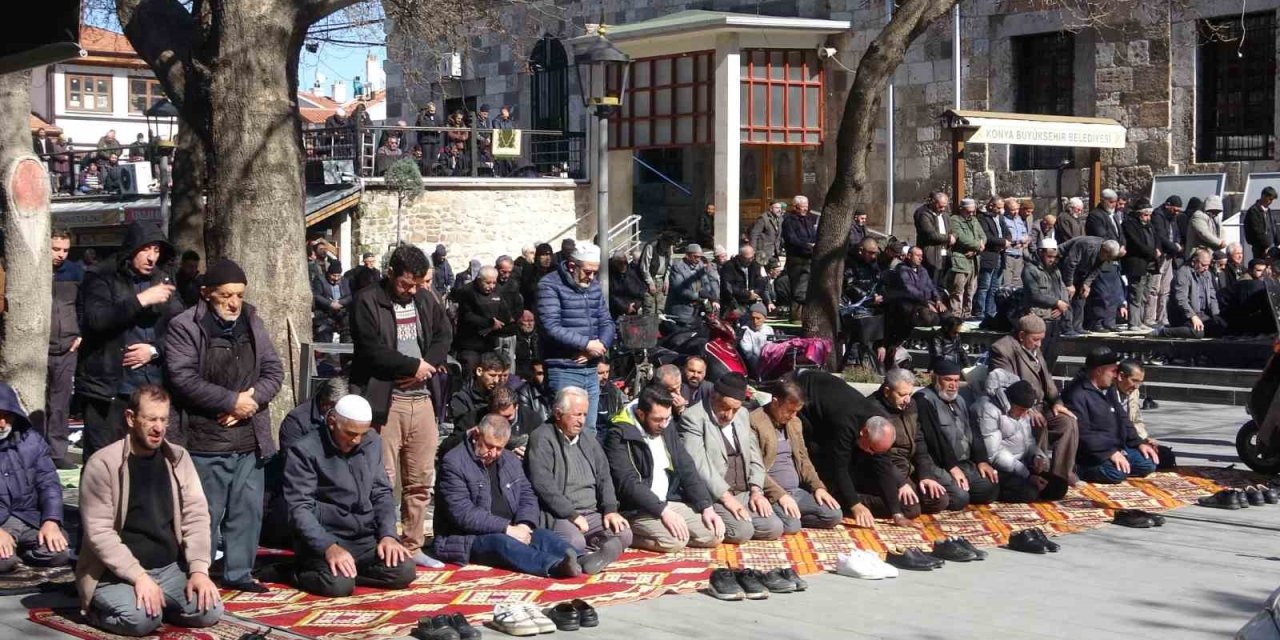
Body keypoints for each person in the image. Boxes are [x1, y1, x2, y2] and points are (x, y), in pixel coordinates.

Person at [163, 259, 283, 592]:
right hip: (205, 437)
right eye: (226, 295)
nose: (234, 303)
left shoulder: (252, 321)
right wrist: (231, 401)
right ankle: (193, 574)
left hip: (249, 434)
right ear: (206, 294)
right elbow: (183, 379)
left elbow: (274, 371)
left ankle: (239, 573)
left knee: (247, 510)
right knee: (205, 512)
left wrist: (249, 403)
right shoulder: (184, 326)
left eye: (239, 295)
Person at [77, 385, 223, 636]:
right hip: (114, 573)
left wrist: (199, 569)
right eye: (151, 419)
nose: (158, 428)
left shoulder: (178, 459)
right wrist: (139, 577)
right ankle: (95, 611)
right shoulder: (103, 464)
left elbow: (196, 516)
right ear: (131, 418)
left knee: (209, 610)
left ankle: (158, 603)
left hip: (168, 567)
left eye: (163, 420)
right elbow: (99, 533)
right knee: (140, 621)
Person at [349, 244, 452, 568]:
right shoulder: (367, 301)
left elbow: (443, 334)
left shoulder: (424, 297)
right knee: (383, 477)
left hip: (421, 398)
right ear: (390, 273)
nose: (411, 291)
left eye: (417, 284)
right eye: (406, 284)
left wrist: (427, 366)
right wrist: (410, 366)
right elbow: (370, 350)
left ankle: (412, 543)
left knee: (420, 476)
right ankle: (381, 540)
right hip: (385, 399)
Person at [283, 394, 415, 596]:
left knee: (404, 571)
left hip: (364, 537)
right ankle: (296, 572)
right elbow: (299, 508)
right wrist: (328, 546)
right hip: (327, 537)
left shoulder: (371, 443)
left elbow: (381, 492)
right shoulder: (305, 450)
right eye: (351, 433)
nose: (356, 440)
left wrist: (388, 535)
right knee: (338, 586)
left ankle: (350, 571)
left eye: (362, 433)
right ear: (332, 422)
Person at [76, 221, 183, 462]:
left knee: (145, 463)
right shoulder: (100, 276)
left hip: (151, 389)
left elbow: (182, 330)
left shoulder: (162, 280)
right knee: (104, 462)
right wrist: (140, 300)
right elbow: (96, 320)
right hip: (108, 391)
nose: (151, 258)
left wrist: (155, 350)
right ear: (132, 249)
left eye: (156, 250)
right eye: (146, 250)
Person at [434, 414, 584, 577]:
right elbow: (463, 513)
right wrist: (506, 529)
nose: (493, 453)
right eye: (489, 446)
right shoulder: (454, 462)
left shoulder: (510, 460)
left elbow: (527, 495)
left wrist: (524, 524)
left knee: (543, 536)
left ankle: (581, 559)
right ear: (477, 435)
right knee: (502, 543)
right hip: (467, 537)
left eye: (499, 448)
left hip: (512, 527)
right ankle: (555, 567)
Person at [605, 386, 724, 553]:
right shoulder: (618, 434)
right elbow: (628, 483)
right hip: (637, 508)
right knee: (674, 542)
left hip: (666, 501)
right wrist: (663, 512)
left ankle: (666, 527)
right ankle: (625, 534)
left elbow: (685, 465)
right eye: (657, 420)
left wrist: (706, 506)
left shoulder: (666, 425)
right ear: (641, 414)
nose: (663, 424)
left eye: (667, 418)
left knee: (714, 534)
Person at [525, 387, 632, 573]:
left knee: (624, 532)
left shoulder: (588, 438)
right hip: (559, 513)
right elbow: (543, 484)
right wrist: (572, 515)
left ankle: (592, 554)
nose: (582, 420)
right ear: (558, 414)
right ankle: (587, 555)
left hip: (591, 511)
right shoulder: (542, 437)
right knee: (574, 541)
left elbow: (604, 475)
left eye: (584, 414)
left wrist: (610, 509)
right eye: (576, 415)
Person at [678, 374, 783, 544]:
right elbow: (700, 465)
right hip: (715, 495)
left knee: (774, 528)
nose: (729, 415)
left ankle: (741, 519)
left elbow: (754, 455)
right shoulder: (693, 418)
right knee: (742, 532)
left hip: (743, 491)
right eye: (724, 407)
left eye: (734, 409)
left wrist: (757, 491)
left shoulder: (742, 414)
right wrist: (727, 499)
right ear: (713, 396)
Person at [986, 314, 1081, 485]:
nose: (1039, 344)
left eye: (1041, 340)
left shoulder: (1034, 347)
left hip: (1041, 404)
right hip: (1018, 407)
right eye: (1035, 339)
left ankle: (1061, 475)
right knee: (1039, 422)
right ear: (1022, 335)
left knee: (1067, 422)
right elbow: (1006, 385)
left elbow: (1047, 379)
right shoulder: (1002, 349)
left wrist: (1057, 403)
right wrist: (1029, 409)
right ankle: (1040, 472)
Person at [794, 370, 896, 527]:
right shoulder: (844, 423)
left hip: (832, 400)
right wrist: (855, 505)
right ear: (863, 432)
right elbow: (839, 466)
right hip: (806, 393)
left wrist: (897, 512)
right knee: (816, 452)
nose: (871, 454)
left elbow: (883, 466)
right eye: (870, 449)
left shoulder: (879, 427)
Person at [539, 241, 615, 440]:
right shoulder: (549, 285)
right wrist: (586, 344)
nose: (591, 277)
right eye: (588, 272)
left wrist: (600, 347)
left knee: (589, 431)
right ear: (572, 266)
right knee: (565, 430)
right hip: (564, 368)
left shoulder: (594, 286)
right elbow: (551, 326)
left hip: (590, 368)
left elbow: (607, 321)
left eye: (595, 272)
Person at [748, 376, 842, 533]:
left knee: (833, 515)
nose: (792, 416)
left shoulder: (794, 423)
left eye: (796, 412)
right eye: (789, 411)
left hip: (796, 491)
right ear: (775, 401)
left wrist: (817, 487)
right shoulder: (755, 421)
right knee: (791, 526)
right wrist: (780, 495)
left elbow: (803, 458)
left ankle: (792, 515)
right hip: (772, 492)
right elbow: (754, 466)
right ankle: (785, 516)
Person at [0, 382, 71, 575]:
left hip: (29, 517)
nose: (2, 424)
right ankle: (10, 552)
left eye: (6, 416)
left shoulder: (32, 441)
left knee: (59, 553)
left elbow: (49, 484)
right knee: (2, 562)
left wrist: (51, 520)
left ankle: (19, 551)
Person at [1063, 348, 1159, 484]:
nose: (1115, 376)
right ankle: (1081, 470)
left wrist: (1138, 443)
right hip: (1093, 454)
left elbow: (1123, 419)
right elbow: (1083, 434)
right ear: (1099, 371)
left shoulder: (1108, 389)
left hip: (1116, 447)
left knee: (1148, 463)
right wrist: (1109, 453)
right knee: (1116, 473)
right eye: (1113, 371)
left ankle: (1121, 464)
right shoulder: (1077, 393)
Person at [913, 360, 1000, 509]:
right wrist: (952, 467)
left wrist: (982, 460)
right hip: (938, 463)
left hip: (964, 463)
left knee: (990, 488)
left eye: (956, 380)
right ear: (935, 379)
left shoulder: (960, 400)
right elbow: (934, 439)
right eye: (948, 380)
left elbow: (974, 430)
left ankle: (961, 486)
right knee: (959, 498)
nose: (953, 385)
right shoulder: (924, 400)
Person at [867, 369, 950, 523]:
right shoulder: (872, 410)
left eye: (909, 394)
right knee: (910, 509)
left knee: (940, 499)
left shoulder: (910, 405)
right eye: (901, 394)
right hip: (884, 471)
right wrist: (900, 483)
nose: (907, 399)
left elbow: (919, 441)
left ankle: (913, 496)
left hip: (909, 468)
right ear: (887, 391)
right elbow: (878, 457)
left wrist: (925, 476)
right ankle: (854, 501)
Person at [972, 372, 1067, 502]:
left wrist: (1037, 457)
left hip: (1022, 466)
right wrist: (1027, 475)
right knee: (1030, 492)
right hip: (999, 468)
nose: (1024, 415)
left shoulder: (1022, 410)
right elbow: (994, 455)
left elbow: (1029, 442)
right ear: (1010, 402)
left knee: (1060, 486)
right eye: (1022, 410)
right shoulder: (988, 410)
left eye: (1026, 411)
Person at [44, 229, 83, 468]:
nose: (61, 255)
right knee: (38, 401)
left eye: (65, 250)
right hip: (39, 345)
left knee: (60, 403)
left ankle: (57, 452)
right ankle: (37, 450)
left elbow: (83, 306)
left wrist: (80, 334)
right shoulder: (33, 270)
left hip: (68, 346)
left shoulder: (76, 272)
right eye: (56, 249)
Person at [454, 266, 516, 375]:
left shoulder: (497, 291)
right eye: (487, 283)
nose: (491, 286)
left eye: (493, 283)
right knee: (470, 373)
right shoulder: (467, 292)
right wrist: (489, 322)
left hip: (490, 342)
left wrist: (498, 323)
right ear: (479, 280)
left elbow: (505, 313)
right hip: (470, 344)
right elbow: (467, 316)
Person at [1057, 236, 1121, 336]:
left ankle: (1077, 326)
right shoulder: (1086, 245)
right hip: (1062, 263)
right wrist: (1069, 284)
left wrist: (1087, 284)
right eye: (1108, 257)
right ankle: (1067, 328)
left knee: (1081, 296)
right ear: (1104, 251)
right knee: (1067, 296)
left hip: (1080, 269)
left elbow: (1097, 269)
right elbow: (1070, 263)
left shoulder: (1104, 254)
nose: (1108, 261)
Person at [1164, 248, 1227, 338]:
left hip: (1202, 314)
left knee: (1222, 327)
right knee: (1197, 332)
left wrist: (1216, 315)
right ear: (1194, 262)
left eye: (1208, 265)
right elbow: (1181, 299)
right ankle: (1164, 332)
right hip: (1184, 315)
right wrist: (1192, 316)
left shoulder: (1207, 275)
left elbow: (1212, 297)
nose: (1206, 268)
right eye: (1203, 265)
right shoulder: (1183, 273)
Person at [1120, 199, 1158, 332]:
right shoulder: (1129, 224)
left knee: (1144, 294)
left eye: (1149, 215)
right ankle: (1133, 322)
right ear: (1138, 214)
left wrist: (1157, 249)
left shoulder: (1149, 224)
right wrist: (1152, 252)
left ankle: (1140, 320)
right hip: (1136, 263)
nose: (1148, 218)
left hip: (1149, 265)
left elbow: (1156, 238)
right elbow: (1136, 243)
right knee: (1135, 294)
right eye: (1145, 215)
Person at [1147, 196, 1184, 328]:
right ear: (1168, 205)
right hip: (1160, 255)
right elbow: (1161, 236)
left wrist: (1177, 245)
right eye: (1175, 209)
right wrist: (1175, 247)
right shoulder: (1157, 216)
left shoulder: (1172, 218)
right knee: (1154, 288)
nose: (1177, 213)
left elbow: (1176, 233)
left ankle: (1162, 318)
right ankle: (1150, 318)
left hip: (1169, 256)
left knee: (1165, 289)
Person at [781, 195, 819, 320]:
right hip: (796, 258)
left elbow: (813, 235)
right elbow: (792, 239)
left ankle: (805, 316)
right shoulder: (788, 220)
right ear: (795, 207)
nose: (805, 210)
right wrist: (808, 246)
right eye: (802, 208)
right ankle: (796, 317)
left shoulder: (809, 220)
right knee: (797, 289)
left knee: (807, 288)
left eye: (806, 207)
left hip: (809, 258)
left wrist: (814, 246)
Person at [947, 198, 986, 317]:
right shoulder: (954, 220)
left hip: (973, 260)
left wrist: (977, 249)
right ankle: (956, 315)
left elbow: (982, 235)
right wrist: (978, 245)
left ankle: (967, 313)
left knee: (971, 289)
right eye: (968, 211)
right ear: (961, 209)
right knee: (958, 289)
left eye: (973, 211)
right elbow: (962, 238)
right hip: (960, 260)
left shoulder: (974, 220)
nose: (971, 214)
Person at [665, 243, 717, 325]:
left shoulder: (700, 265)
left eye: (700, 257)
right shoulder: (677, 267)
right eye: (695, 257)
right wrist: (698, 295)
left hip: (697, 310)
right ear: (687, 255)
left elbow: (706, 282)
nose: (698, 259)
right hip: (681, 310)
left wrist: (710, 296)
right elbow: (679, 289)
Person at [975, 197, 1009, 320]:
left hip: (1000, 255)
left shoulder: (1000, 218)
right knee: (985, 286)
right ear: (991, 206)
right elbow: (986, 237)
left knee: (995, 287)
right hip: (989, 255)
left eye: (1002, 208)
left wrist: (1007, 241)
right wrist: (1002, 242)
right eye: (998, 207)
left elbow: (1007, 232)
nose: (1001, 210)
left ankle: (991, 312)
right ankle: (980, 312)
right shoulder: (983, 218)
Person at [720, 244, 771, 315]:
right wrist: (747, 294)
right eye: (747, 258)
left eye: (752, 257)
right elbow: (728, 287)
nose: (750, 260)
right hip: (735, 303)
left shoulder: (754, 265)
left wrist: (755, 292)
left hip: (751, 301)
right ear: (740, 256)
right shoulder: (729, 266)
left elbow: (761, 282)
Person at [913, 191, 953, 280]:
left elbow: (953, 230)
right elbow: (931, 235)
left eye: (945, 206)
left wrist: (953, 236)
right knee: (932, 281)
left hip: (946, 254)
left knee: (943, 284)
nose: (943, 209)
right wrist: (949, 238)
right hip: (932, 255)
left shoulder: (945, 216)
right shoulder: (924, 215)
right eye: (940, 206)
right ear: (934, 202)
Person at [313, 260, 352, 343]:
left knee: (349, 330)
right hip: (325, 313)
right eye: (334, 276)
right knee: (323, 332)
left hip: (342, 313)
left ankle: (345, 353)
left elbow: (350, 296)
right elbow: (317, 295)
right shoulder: (320, 280)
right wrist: (330, 304)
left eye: (338, 276)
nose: (336, 278)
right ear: (328, 273)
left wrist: (340, 303)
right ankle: (324, 354)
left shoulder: (345, 281)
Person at [638, 232, 675, 316]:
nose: (667, 247)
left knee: (660, 309)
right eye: (666, 244)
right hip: (649, 279)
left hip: (661, 280)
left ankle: (659, 327)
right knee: (649, 308)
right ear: (662, 241)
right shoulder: (651, 246)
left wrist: (666, 279)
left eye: (669, 245)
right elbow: (644, 267)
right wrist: (650, 283)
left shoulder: (669, 247)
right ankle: (649, 328)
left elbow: (669, 265)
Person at [1000, 197, 1029, 288]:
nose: (1016, 212)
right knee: (1007, 281)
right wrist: (1019, 240)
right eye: (1013, 210)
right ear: (1006, 209)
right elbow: (1005, 237)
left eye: (1017, 209)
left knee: (1017, 281)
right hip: (1008, 253)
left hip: (1019, 253)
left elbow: (1025, 233)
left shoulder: (1019, 219)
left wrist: (1025, 241)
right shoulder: (1003, 220)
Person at [1244, 186, 1279, 260]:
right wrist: (1267, 246)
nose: (1271, 202)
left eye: (1272, 199)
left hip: (1272, 248)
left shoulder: (1268, 211)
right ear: (1263, 196)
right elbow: (1258, 231)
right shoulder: (1253, 211)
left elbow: (1274, 228)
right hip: (1260, 250)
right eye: (1270, 199)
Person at [739, 303, 774, 371]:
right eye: (752, 318)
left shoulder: (769, 329)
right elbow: (748, 354)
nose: (755, 321)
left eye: (758, 318)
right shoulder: (745, 330)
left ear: (765, 318)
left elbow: (772, 348)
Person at [521, 243, 555, 313]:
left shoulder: (555, 272)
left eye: (549, 255)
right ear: (538, 256)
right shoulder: (530, 272)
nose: (548, 258)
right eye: (544, 255)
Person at [749, 201, 785, 266]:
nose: (779, 210)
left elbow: (780, 235)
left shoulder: (780, 219)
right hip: (763, 251)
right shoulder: (763, 218)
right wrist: (752, 250)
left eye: (780, 208)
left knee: (774, 272)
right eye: (777, 208)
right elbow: (754, 234)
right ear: (771, 208)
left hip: (775, 252)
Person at [596, 361, 629, 430]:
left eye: (607, 372)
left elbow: (626, 408)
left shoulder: (614, 391)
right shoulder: (584, 394)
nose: (605, 377)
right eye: (600, 373)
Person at [514, 310, 541, 380]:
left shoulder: (538, 337)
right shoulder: (514, 338)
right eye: (526, 321)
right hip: (519, 375)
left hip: (537, 373)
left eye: (531, 321)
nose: (529, 324)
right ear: (519, 322)